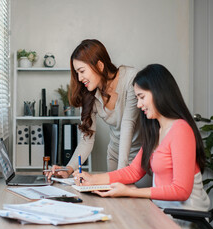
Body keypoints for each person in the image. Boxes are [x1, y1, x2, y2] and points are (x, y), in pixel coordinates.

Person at [73, 64, 210, 229]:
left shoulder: (181, 130)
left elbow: (181, 190)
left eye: (141, 97)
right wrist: (93, 179)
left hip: (181, 219)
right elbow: (134, 171)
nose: (138, 104)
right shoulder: (156, 130)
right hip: (164, 214)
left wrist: (129, 191)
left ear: (158, 92)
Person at [47, 39, 143, 180]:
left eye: (82, 71)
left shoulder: (130, 78)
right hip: (115, 155)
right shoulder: (90, 94)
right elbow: (86, 139)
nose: (79, 78)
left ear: (99, 65)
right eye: (76, 73)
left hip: (139, 156)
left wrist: (121, 174)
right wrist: (68, 169)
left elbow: (128, 125)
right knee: (115, 201)